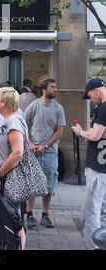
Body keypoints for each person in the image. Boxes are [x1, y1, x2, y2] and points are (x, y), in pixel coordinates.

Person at [24, 78, 66, 229]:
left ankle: (45, 215)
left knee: (49, 185)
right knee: (32, 184)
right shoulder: (34, 106)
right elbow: (23, 124)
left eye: (55, 87)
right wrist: (30, 144)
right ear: (44, 90)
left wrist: (45, 146)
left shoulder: (58, 108)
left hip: (50, 153)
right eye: (52, 87)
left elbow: (59, 130)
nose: (55, 89)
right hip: (33, 152)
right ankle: (29, 215)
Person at [72, 78, 106, 250]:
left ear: (97, 90)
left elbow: (94, 136)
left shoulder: (103, 108)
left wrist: (79, 132)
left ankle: (94, 247)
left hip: (99, 170)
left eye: (91, 95)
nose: (91, 99)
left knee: (92, 213)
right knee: (101, 213)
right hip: (102, 170)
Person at [0, 87, 28, 249]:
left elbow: (17, 153)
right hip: (7, 175)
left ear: (4, 102)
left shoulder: (13, 121)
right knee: (12, 217)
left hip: (9, 176)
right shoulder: (7, 119)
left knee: (14, 219)